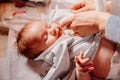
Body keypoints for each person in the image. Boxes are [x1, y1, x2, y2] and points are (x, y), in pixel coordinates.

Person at [17, 20, 117, 80]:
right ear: (43, 53)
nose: (52, 30)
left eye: (48, 26)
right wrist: (81, 72)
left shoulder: (69, 31)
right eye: (46, 38)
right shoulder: (60, 60)